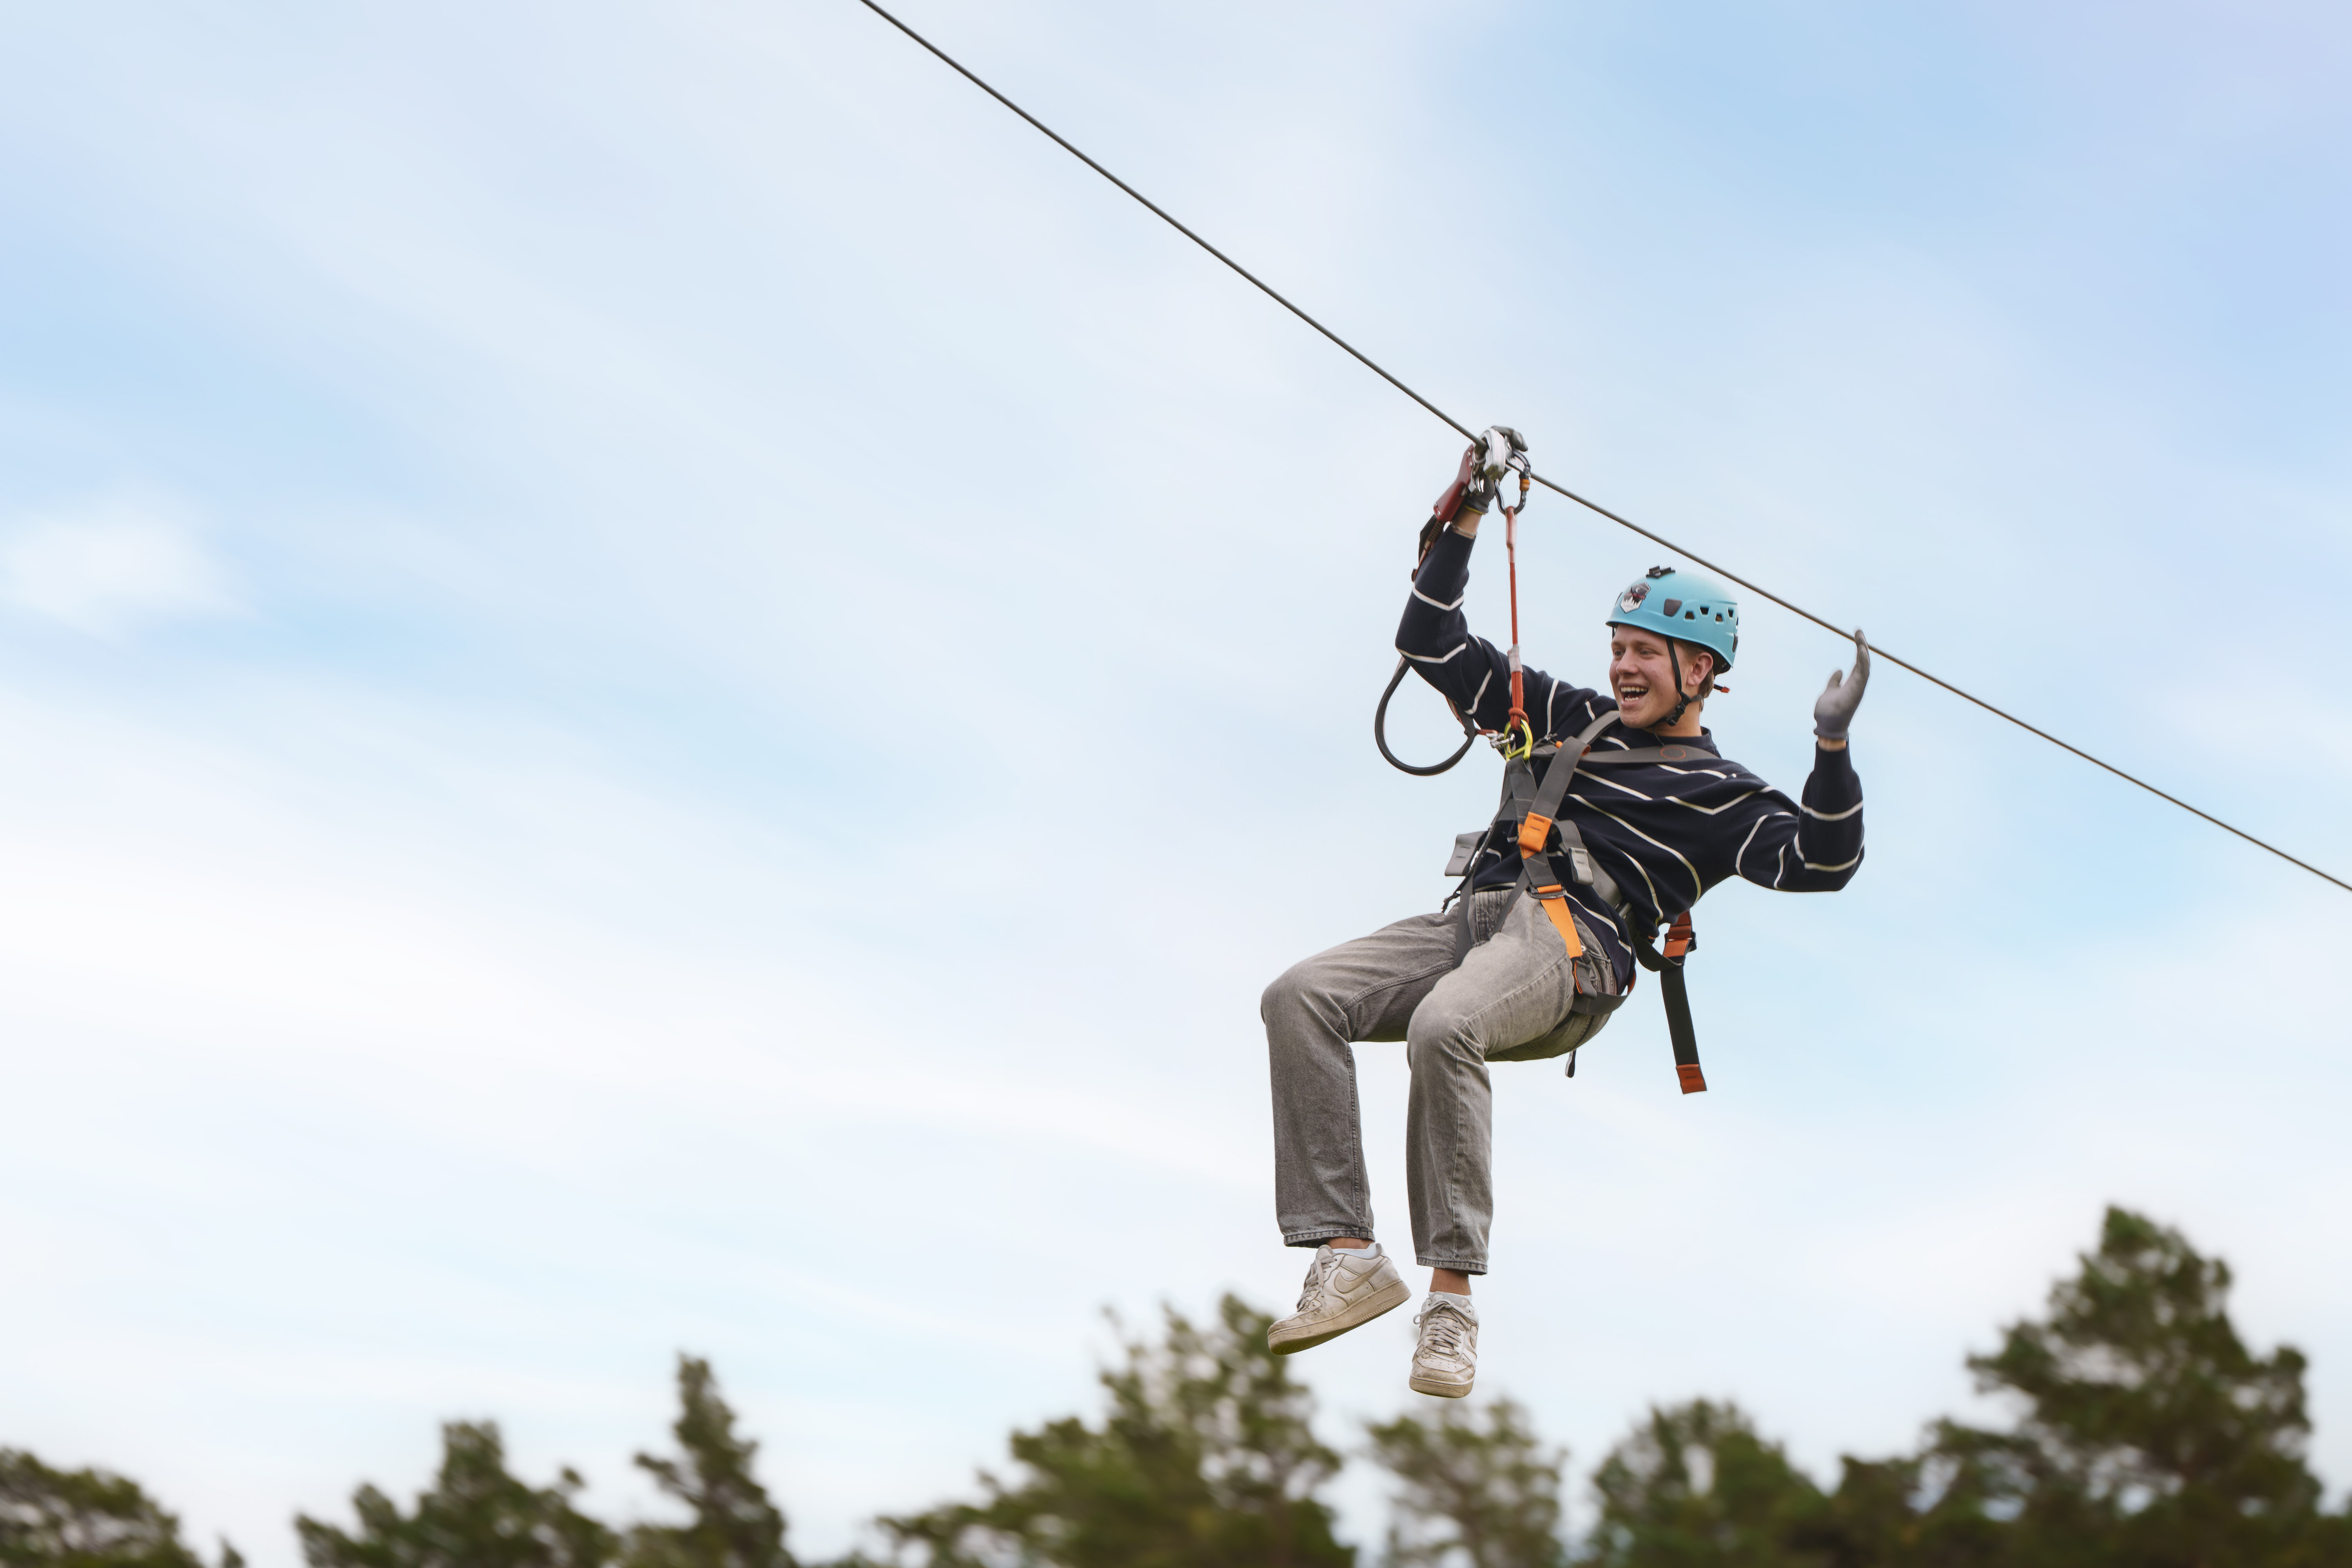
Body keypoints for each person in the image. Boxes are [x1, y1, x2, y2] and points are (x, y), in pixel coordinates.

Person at [1260, 431, 1871, 1397]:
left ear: (1702, 671)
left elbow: (1823, 862)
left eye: (1645, 654)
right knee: (1299, 996)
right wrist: (1466, 510)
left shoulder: (1722, 795)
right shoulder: (1562, 717)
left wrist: (1830, 747)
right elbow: (1430, 642)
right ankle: (1346, 1251)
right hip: (1478, 919)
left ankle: (1451, 1301)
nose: (1623, 668)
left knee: (1445, 1023)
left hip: (1574, 949)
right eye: (1618, 648)